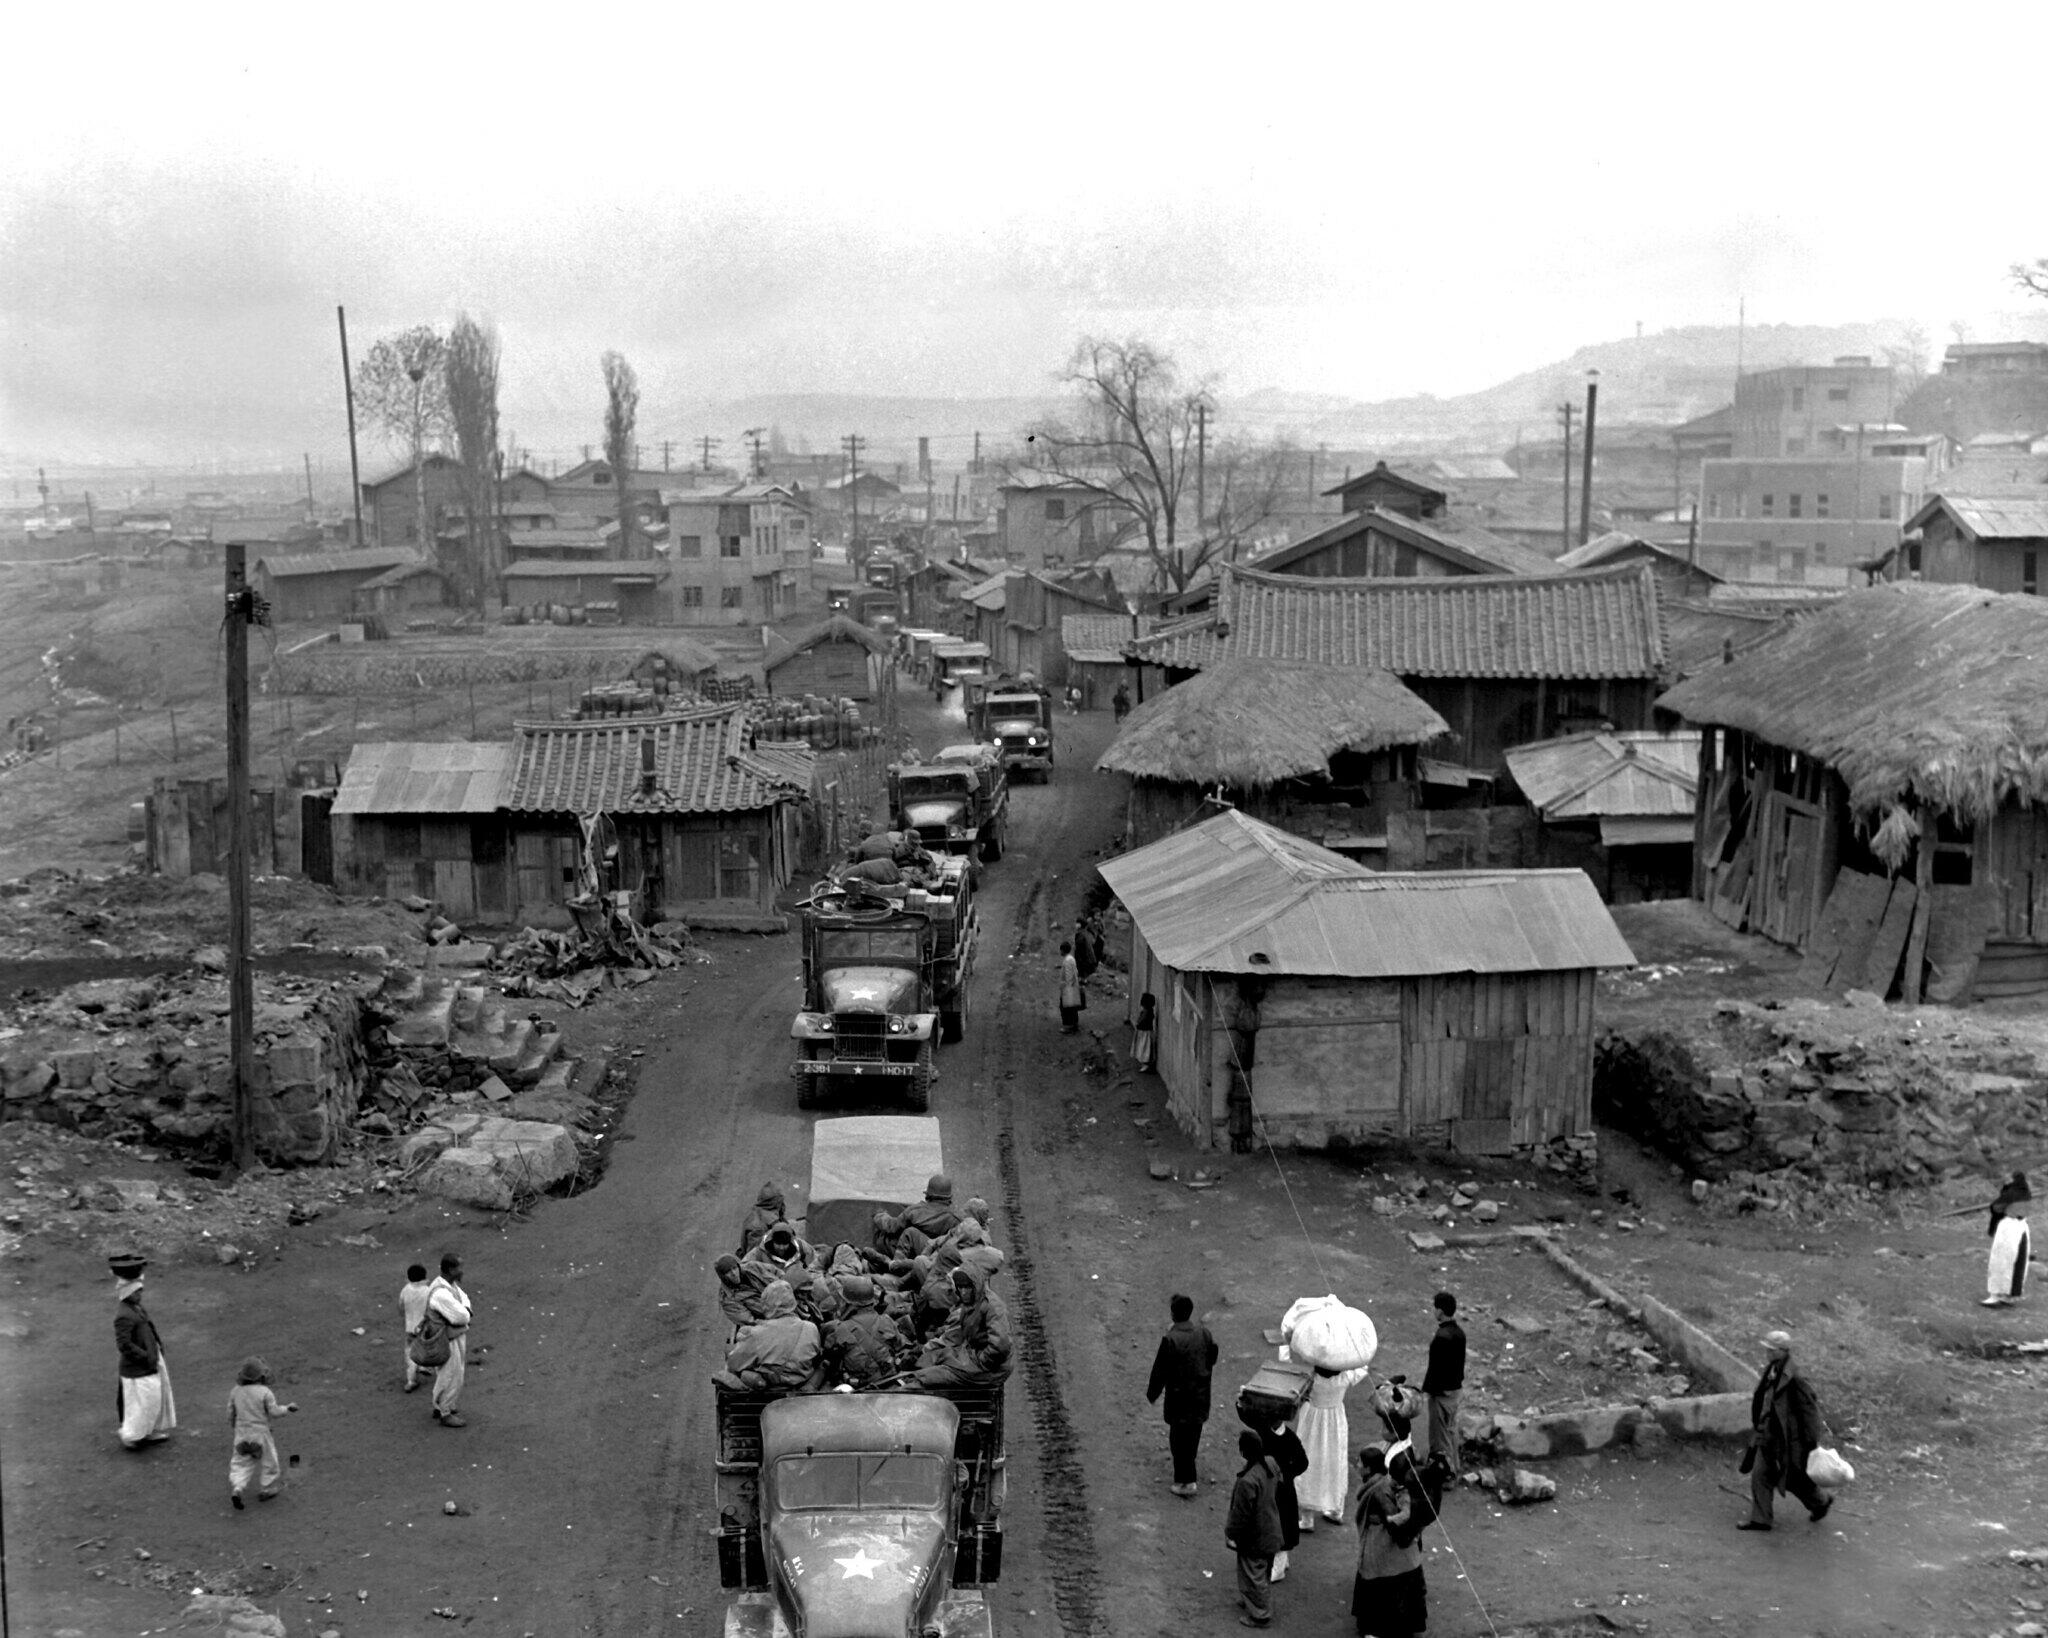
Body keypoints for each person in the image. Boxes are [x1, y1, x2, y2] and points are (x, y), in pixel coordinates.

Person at [1740, 1329, 1831, 1530]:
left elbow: (1809, 1410)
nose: (1767, 1353)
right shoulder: (1773, 1368)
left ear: (1783, 1351)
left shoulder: (1796, 1376)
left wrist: (1811, 1442)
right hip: (1769, 1433)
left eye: (1772, 1350)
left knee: (1793, 1478)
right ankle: (1761, 1520)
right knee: (1761, 1473)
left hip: (1789, 1439)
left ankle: (1821, 1502)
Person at [1146, 1293, 1220, 1497]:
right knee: (1193, 1436)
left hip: (1179, 1398)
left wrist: (1153, 1393)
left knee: (1178, 1440)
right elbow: (1213, 1355)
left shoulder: (1171, 1339)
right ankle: (1188, 1476)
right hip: (1200, 1396)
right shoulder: (1204, 1333)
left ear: (1173, 1314)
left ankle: (1185, 1481)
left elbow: (1160, 1370)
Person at [1351, 1444, 1427, 1638]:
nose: (1357, 1465)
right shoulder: (1397, 1488)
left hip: (1382, 1548)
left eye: (1359, 1462)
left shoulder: (1379, 1490)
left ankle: (1374, 1629)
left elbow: (1395, 1524)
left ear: (1368, 1469)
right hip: (1405, 1555)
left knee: (1379, 1584)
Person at [112, 1252, 176, 1449]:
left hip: (149, 1363)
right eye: (138, 1291)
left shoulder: (136, 1309)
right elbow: (124, 1345)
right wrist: (146, 1357)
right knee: (141, 1404)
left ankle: (148, 1432)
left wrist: (157, 1350)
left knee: (152, 1400)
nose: (141, 1294)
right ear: (129, 1293)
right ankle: (131, 1436)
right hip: (138, 1369)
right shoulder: (123, 1315)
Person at [1294, 1363, 1369, 1529]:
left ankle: (1307, 1518)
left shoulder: (1310, 1378)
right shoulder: (1344, 1378)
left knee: (1308, 1464)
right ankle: (1335, 1510)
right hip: (1335, 1421)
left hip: (1311, 1422)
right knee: (1335, 1461)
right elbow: (1363, 1366)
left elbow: (1290, 1373)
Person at [915, 1263, 1012, 1389]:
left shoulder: (993, 1306)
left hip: (990, 1369)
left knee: (930, 1377)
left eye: (968, 1287)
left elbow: (1001, 1345)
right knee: (934, 1358)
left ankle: (908, 1385)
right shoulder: (972, 1304)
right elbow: (957, 1335)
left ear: (976, 1286)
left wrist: (981, 1360)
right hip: (975, 1357)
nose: (964, 1292)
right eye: (960, 1288)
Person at [717, 1280, 824, 1392]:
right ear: (792, 1302)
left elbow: (734, 1364)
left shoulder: (758, 1333)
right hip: (802, 1386)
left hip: (770, 1390)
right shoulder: (811, 1328)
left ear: (767, 1305)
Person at [1225, 1428, 1284, 1628]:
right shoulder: (1270, 1463)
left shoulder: (1247, 1481)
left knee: (1252, 1572)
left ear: (1244, 1452)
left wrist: (1231, 1534)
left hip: (1255, 1536)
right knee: (1263, 1570)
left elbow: (1240, 1514)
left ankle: (1260, 1614)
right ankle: (1252, 1600)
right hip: (1272, 1527)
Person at [226, 1357, 296, 1509]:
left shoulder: (235, 1391)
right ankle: (267, 1488)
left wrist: (234, 1426)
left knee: (241, 1462)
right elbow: (274, 1412)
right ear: (261, 1376)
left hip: (242, 1434)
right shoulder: (265, 1392)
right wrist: (287, 1408)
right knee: (269, 1460)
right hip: (261, 1434)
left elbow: (230, 1412)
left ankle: (237, 1487)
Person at [822, 1275, 908, 1387]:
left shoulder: (840, 1329)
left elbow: (831, 1363)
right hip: (890, 1382)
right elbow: (899, 1346)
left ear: (848, 1303)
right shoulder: (887, 1320)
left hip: (859, 1389)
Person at [1253, 1414, 1309, 1582]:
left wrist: (1285, 1474)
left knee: (1283, 1525)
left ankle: (1279, 1565)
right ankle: (1279, 1559)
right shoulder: (1264, 1430)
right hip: (1267, 1486)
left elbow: (1302, 1463)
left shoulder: (1290, 1438)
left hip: (1283, 1490)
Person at [425, 1254, 473, 1429]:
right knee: (451, 1374)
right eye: (459, 1267)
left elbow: (464, 1299)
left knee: (451, 1372)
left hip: (452, 1336)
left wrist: (464, 1309)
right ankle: (445, 1412)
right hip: (447, 1338)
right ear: (451, 1269)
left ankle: (440, 1406)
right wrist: (466, 1311)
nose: (461, 1271)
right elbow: (461, 1316)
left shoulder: (448, 1286)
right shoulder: (441, 1294)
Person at [1421, 1291, 1465, 1472]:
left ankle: (1447, 1472)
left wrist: (1428, 1390)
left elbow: (1436, 1369)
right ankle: (1455, 1465)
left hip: (1442, 1393)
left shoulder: (1442, 1337)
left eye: (1435, 1308)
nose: (1433, 1311)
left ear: (1440, 1311)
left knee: (1440, 1436)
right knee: (1450, 1431)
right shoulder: (1459, 1333)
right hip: (1455, 1390)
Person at [872, 1174, 961, 1258]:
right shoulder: (954, 1219)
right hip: (932, 1258)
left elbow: (891, 1227)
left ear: (928, 1194)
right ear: (949, 1197)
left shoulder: (914, 1211)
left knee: (883, 1237)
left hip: (906, 1254)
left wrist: (879, 1215)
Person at [1985, 1174, 2031, 1307]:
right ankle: (2010, 1295)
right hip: (2022, 1227)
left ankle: (1996, 1295)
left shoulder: (2010, 1193)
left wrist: (2004, 1190)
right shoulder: (2026, 1193)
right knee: (2018, 1260)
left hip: (2008, 1227)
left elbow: (1996, 1207)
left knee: (2001, 1259)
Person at [399, 1262, 434, 1393]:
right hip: (424, 1327)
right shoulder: (427, 1291)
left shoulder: (406, 1289)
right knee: (425, 1347)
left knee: (410, 1352)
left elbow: (401, 1306)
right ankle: (421, 1368)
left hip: (410, 1327)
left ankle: (411, 1380)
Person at [738, 1182, 789, 1257]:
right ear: (777, 1203)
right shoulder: (759, 1227)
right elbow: (754, 1258)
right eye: (781, 1202)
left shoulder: (760, 1214)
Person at [1058, 941, 1084, 1033]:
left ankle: (1068, 1027)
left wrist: (1065, 987)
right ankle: (1074, 1025)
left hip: (1068, 988)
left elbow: (1069, 976)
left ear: (1063, 950)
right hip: (1073, 986)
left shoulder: (1067, 960)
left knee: (1066, 1008)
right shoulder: (1071, 959)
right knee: (1073, 1008)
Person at [1132, 993, 1158, 1073]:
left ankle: (1146, 1065)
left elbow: (1141, 1020)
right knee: (1144, 1048)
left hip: (1144, 1033)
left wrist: (1137, 1023)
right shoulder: (1149, 1011)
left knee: (1144, 1048)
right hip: (1145, 1032)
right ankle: (1145, 1064)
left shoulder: (1146, 1012)